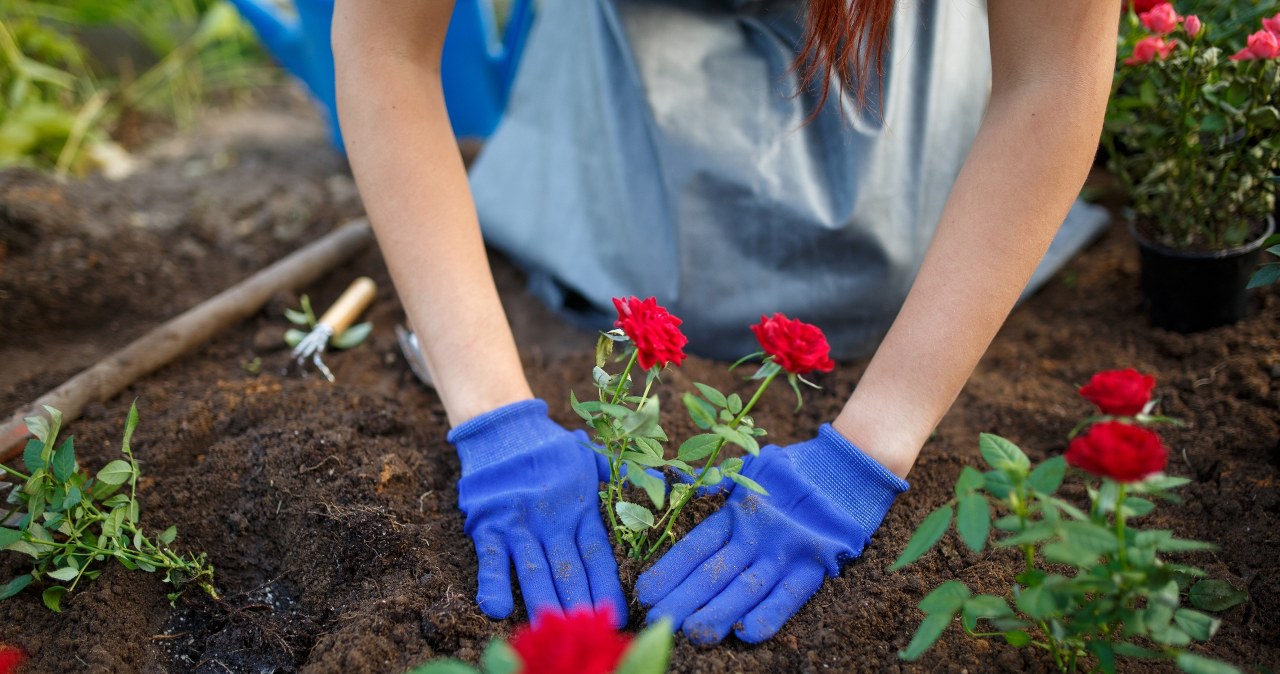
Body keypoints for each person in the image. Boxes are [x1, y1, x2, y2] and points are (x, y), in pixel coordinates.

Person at [330, 0, 1120, 646]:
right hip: (618, 103)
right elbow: (384, 44)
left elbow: (1051, 75)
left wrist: (873, 446)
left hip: (882, 110)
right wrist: (491, 416)